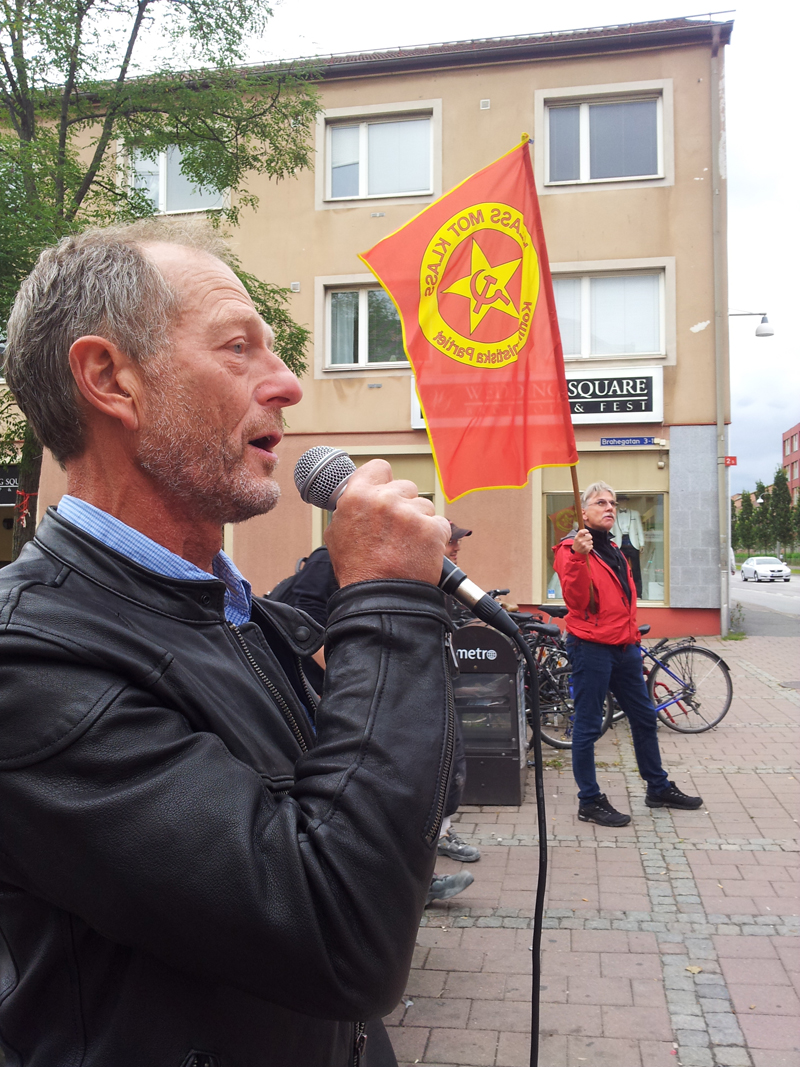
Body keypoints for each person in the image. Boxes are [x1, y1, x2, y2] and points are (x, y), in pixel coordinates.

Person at [0, 220, 458, 1067]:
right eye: (239, 347)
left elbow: (395, 818)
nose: (286, 383)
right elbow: (340, 929)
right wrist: (387, 608)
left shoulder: (234, 613)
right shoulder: (28, 661)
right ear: (112, 379)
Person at [284, 523, 479, 881]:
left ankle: (423, 859)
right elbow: (302, 615)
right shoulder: (332, 558)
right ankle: (395, 877)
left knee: (426, 766)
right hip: (337, 689)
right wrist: (340, 675)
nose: (454, 547)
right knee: (370, 777)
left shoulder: (414, 567)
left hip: (392, 687)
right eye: (450, 540)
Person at [552, 481, 703, 827]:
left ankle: (658, 787)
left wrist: (633, 640)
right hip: (590, 648)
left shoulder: (617, 551)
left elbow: (623, 602)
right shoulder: (571, 549)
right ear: (583, 511)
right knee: (588, 726)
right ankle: (589, 801)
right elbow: (576, 601)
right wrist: (578, 555)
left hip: (624, 648)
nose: (609, 508)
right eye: (600, 502)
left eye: (613, 503)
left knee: (645, 718)